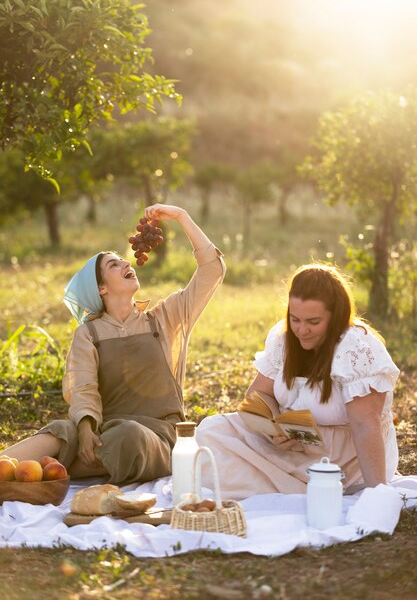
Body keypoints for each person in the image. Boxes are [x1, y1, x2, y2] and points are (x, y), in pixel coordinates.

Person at [3, 204, 225, 485]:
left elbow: (212, 269)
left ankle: (55, 470)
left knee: (129, 435)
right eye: (114, 264)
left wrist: (181, 216)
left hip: (157, 435)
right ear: (101, 289)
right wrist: (85, 429)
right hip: (106, 429)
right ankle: (8, 469)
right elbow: (83, 388)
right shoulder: (89, 334)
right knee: (62, 430)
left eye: (123, 260)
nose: (127, 263)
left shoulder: (163, 319)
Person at [196, 263, 400, 499]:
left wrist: (378, 493)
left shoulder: (356, 348)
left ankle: (301, 487)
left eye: (313, 322)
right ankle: (280, 484)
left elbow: (366, 426)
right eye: (295, 320)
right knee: (210, 431)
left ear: (336, 316)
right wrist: (273, 426)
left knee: (223, 474)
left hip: (340, 458)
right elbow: (259, 394)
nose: (302, 330)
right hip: (292, 444)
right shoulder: (283, 338)